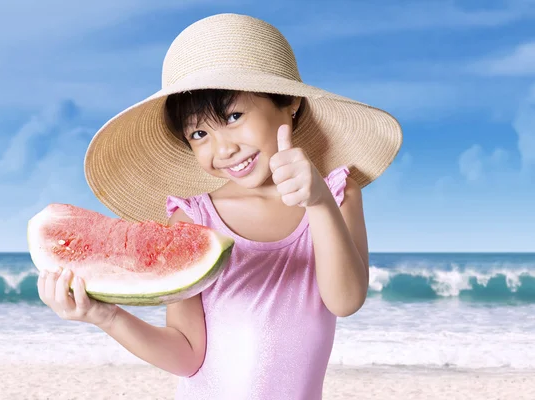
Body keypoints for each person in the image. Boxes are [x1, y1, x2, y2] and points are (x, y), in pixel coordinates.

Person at [37, 13, 402, 400]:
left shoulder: (337, 194)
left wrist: (320, 203)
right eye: (199, 133)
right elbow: (186, 355)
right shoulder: (193, 217)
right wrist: (104, 315)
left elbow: (344, 301)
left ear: (290, 102)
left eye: (233, 116)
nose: (223, 148)